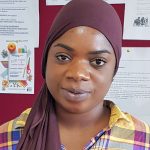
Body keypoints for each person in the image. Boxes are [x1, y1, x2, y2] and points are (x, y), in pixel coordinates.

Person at [0, 0, 150, 149]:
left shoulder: (142, 140)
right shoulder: (7, 138)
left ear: (114, 70)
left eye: (98, 61)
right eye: (63, 57)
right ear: (45, 62)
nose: (78, 74)